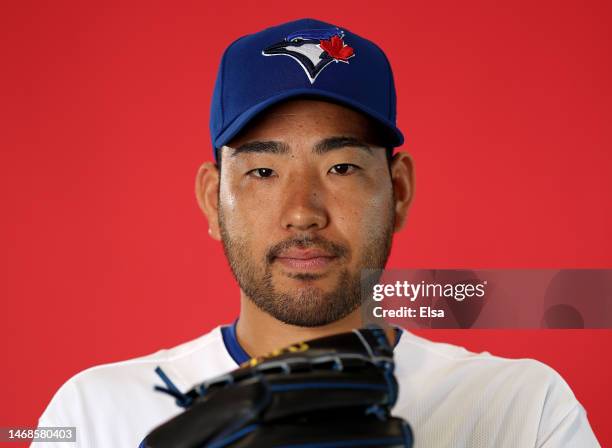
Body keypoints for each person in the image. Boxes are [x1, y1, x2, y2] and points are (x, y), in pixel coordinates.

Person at [33, 18, 600, 448]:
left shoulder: (523, 409)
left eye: (342, 168)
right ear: (213, 199)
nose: (303, 212)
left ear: (399, 191)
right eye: (262, 171)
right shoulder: (88, 416)